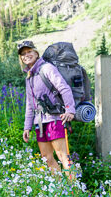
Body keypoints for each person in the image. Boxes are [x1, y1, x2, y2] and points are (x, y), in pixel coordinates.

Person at [18, 40, 76, 176]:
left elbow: (64, 88)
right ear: (21, 58)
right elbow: (30, 104)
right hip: (40, 123)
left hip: (55, 119)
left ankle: (75, 192)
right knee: (47, 158)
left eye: (29, 52)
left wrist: (70, 110)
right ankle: (59, 191)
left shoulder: (47, 68)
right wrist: (27, 127)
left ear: (36, 52)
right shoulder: (29, 76)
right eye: (23, 54)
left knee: (63, 157)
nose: (27, 55)